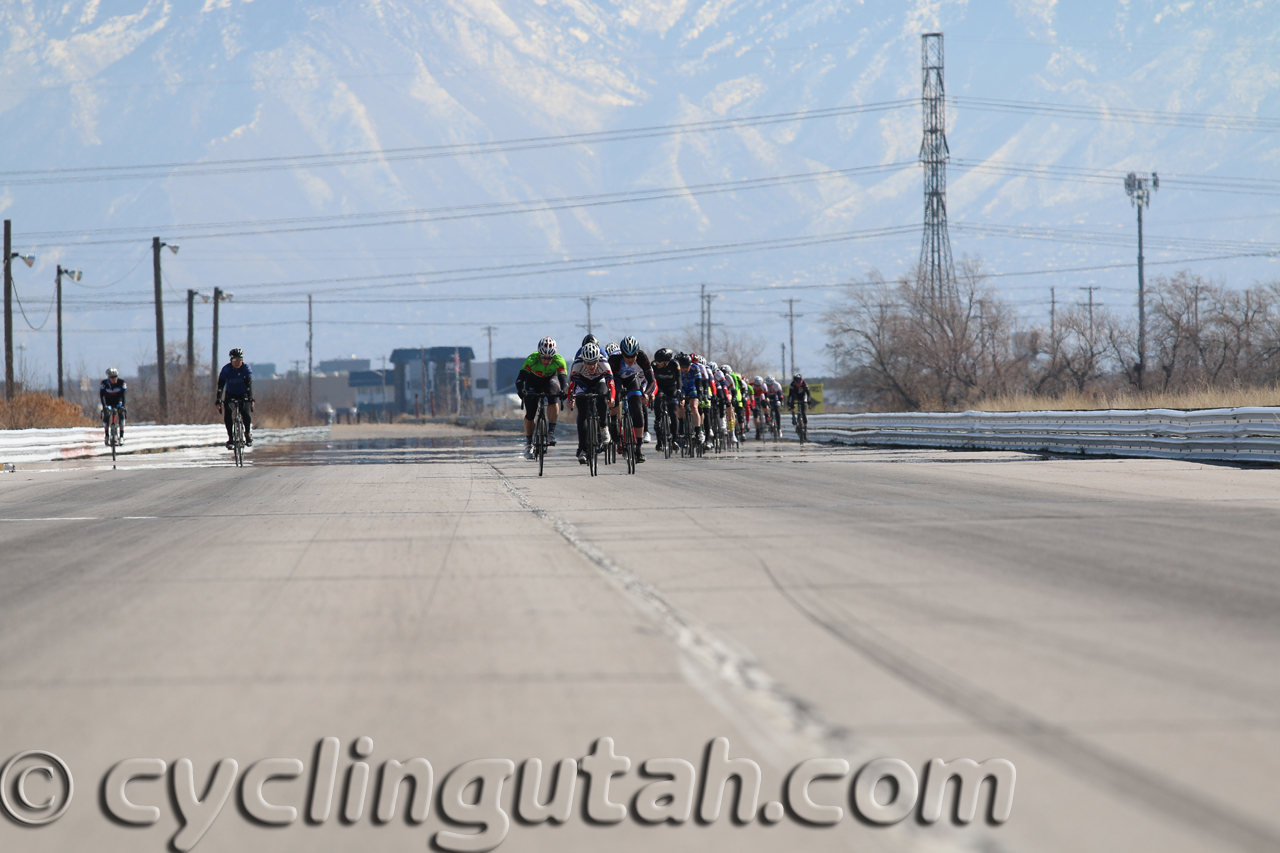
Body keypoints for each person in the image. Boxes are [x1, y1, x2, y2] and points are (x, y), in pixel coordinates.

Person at [515, 336, 568, 460]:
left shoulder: (559, 360)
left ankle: (551, 432)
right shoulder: (532, 359)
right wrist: (520, 390)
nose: (546, 360)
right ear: (539, 354)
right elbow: (520, 379)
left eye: (549, 358)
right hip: (532, 382)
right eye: (543, 357)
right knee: (530, 413)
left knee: (553, 396)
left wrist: (564, 391)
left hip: (550, 380)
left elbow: (564, 380)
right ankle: (529, 444)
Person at [608, 336, 654, 463]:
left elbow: (651, 381)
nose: (629, 359)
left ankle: (638, 448)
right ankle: (613, 421)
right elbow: (608, 379)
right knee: (615, 394)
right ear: (622, 353)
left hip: (632, 380)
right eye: (626, 356)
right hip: (617, 380)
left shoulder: (642, 358)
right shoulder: (614, 359)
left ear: (637, 353)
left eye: (632, 356)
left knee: (637, 407)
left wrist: (646, 393)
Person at [567, 342, 615, 464]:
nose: (591, 366)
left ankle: (604, 427)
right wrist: (570, 399)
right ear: (583, 360)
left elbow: (611, 383)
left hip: (599, 381)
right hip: (583, 384)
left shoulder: (604, 363)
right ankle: (582, 449)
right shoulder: (577, 364)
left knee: (602, 396)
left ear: (598, 359)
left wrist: (612, 397)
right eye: (588, 363)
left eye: (594, 362)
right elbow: (572, 385)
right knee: (582, 414)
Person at [216, 348, 254, 448]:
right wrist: (218, 400)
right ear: (230, 360)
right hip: (230, 394)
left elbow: (249, 385)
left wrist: (250, 398)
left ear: (242, 360)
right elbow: (220, 386)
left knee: (245, 413)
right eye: (234, 360)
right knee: (228, 412)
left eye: (239, 360)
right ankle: (231, 438)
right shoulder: (226, 369)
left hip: (243, 394)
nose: (237, 362)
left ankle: (248, 433)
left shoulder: (246, 368)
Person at [99, 367, 127, 444]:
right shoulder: (104, 383)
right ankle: (107, 435)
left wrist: (123, 406)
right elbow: (102, 396)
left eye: (115, 377)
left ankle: (121, 436)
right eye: (112, 377)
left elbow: (124, 395)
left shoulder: (122, 382)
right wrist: (104, 406)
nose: (114, 379)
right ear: (109, 378)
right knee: (107, 414)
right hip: (108, 403)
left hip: (118, 402)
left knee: (121, 413)